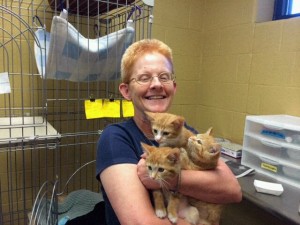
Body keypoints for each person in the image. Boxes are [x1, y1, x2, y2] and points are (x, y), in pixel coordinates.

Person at [96, 39, 242, 225]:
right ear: (126, 91)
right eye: (144, 77)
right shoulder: (116, 138)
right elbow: (141, 223)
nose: (157, 84)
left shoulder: (185, 132)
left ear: (173, 87)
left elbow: (233, 190)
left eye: (164, 77)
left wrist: (172, 180)